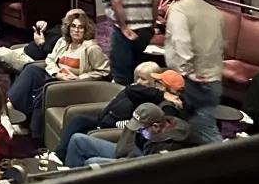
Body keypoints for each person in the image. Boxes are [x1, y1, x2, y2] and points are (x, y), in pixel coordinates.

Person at [3, 8, 109, 140]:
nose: (76, 30)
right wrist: (56, 73)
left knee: (42, 91)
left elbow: (104, 71)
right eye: (73, 26)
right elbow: (50, 59)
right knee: (31, 70)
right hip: (57, 76)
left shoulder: (92, 48)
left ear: (86, 30)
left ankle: (33, 131)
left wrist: (80, 78)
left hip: (71, 84)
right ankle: (9, 105)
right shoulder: (63, 41)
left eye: (80, 27)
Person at [50, 65, 184, 165]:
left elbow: (152, 147)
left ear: (165, 87)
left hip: (135, 155)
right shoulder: (154, 95)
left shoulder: (167, 109)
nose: (155, 84)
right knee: (77, 137)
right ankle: (65, 171)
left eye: (158, 82)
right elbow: (130, 90)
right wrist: (161, 94)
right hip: (126, 146)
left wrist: (128, 156)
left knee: (91, 162)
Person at [162, 0, 225, 145]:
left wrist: (187, 71)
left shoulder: (179, 9)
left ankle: (232, 159)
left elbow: (180, 41)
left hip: (191, 80)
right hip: (213, 78)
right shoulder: (214, 11)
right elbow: (222, 43)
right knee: (197, 130)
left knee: (201, 131)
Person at [64, 100, 192, 168]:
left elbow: (147, 169)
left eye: (140, 129)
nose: (137, 131)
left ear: (156, 127)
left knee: (93, 162)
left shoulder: (170, 145)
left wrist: (122, 160)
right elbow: (123, 149)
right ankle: (67, 182)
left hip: (136, 166)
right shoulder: (156, 123)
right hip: (130, 153)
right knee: (77, 140)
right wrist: (123, 152)